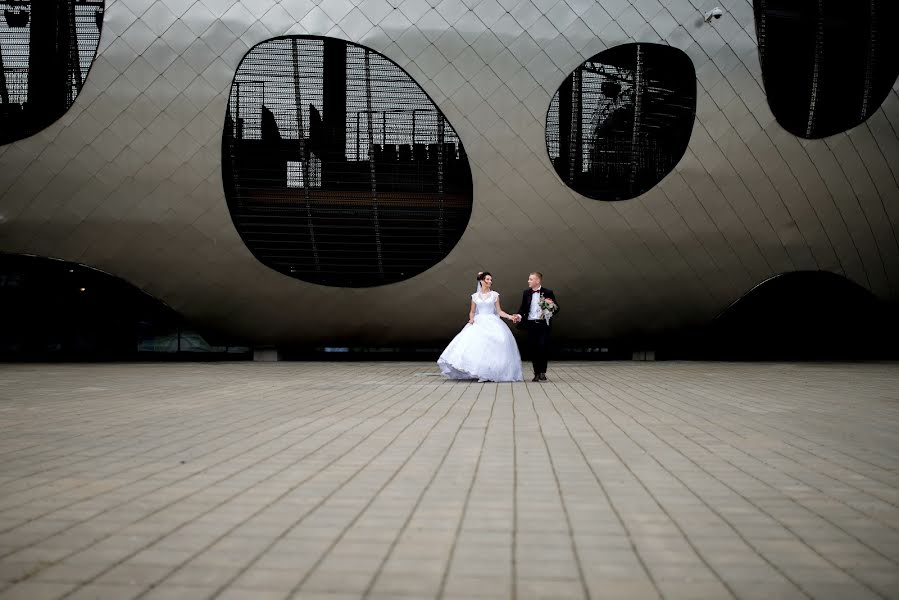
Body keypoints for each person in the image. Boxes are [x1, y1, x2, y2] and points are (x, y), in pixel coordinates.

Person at [437, 272, 523, 382]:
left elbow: (499, 311)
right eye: (487, 279)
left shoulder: (495, 295)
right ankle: (479, 372)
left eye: (491, 280)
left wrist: (510, 317)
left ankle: (490, 372)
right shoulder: (475, 296)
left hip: (492, 321)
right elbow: (472, 312)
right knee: (476, 346)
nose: (490, 282)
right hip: (479, 321)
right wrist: (472, 318)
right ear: (481, 281)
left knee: (495, 344)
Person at [512, 272, 560, 382]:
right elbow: (523, 308)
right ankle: (536, 373)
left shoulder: (548, 292)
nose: (528, 281)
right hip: (531, 324)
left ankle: (542, 372)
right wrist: (518, 316)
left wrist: (549, 308)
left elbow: (557, 308)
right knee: (533, 348)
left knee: (542, 347)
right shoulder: (526, 293)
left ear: (537, 281)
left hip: (543, 324)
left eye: (530, 279)